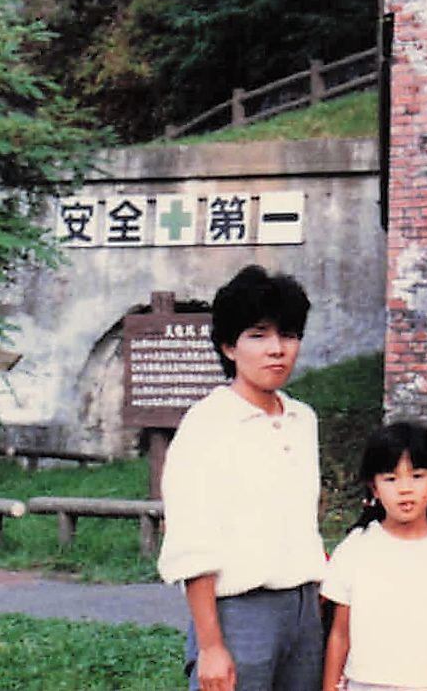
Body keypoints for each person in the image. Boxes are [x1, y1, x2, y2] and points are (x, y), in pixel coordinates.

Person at [158, 264, 326, 691]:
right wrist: (211, 645)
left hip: (306, 612)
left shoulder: (302, 419)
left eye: (288, 335)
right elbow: (192, 542)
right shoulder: (208, 423)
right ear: (229, 347)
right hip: (240, 614)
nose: (277, 349)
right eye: (258, 335)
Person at [320, 421, 427, 691]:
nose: (405, 488)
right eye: (390, 479)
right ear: (374, 487)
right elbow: (340, 634)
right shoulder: (356, 548)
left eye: (417, 476)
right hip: (365, 684)